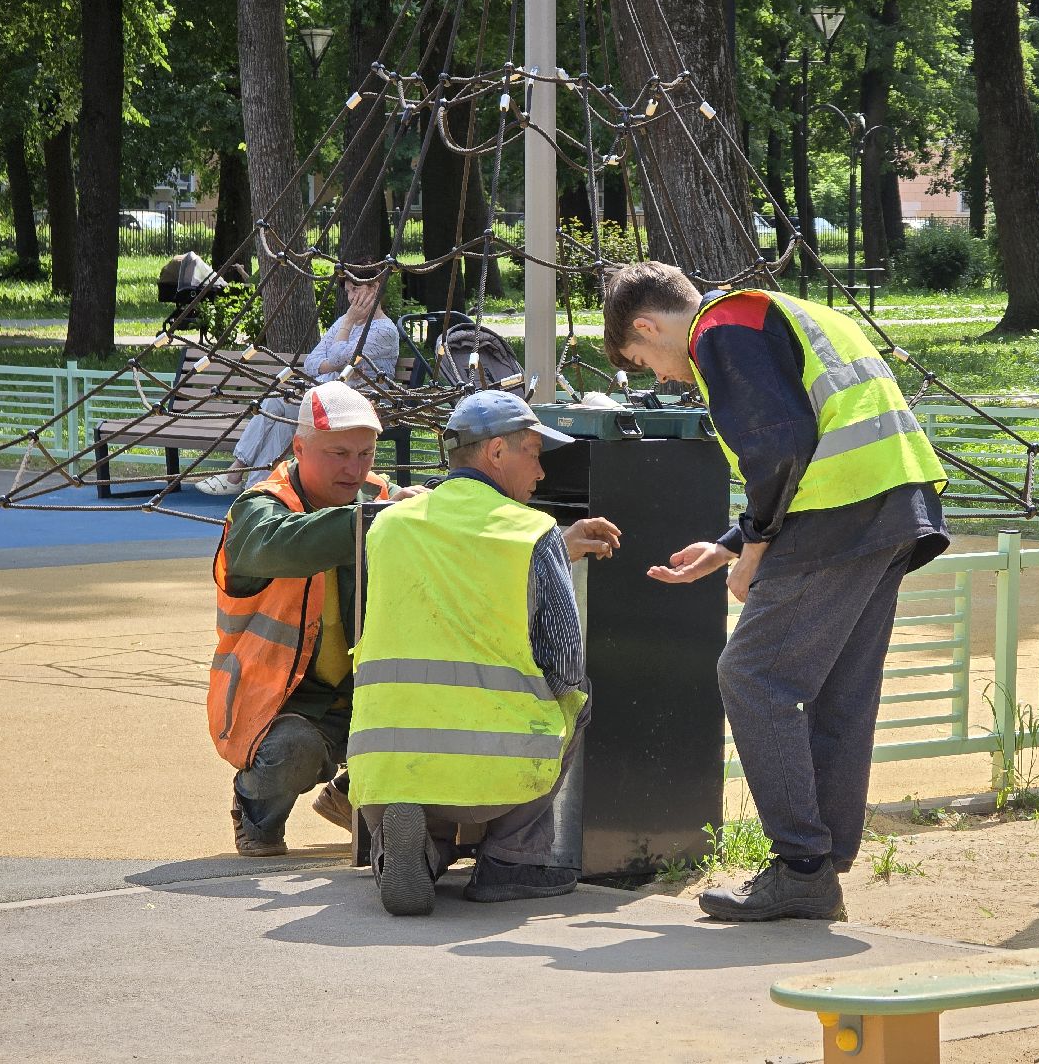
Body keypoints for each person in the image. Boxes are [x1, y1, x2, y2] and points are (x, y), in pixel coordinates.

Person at [602, 262, 950, 922]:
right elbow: (811, 439)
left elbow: (782, 451)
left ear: (648, 326)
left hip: (839, 515)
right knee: (839, 692)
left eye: (643, 358)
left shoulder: (721, 328)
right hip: (894, 506)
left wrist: (753, 551)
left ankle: (801, 866)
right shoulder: (781, 311)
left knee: (753, 675)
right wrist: (731, 544)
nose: (661, 376)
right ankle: (818, 867)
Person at [349, 390, 620, 916]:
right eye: (535, 454)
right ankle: (515, 860)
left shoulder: (389, 526)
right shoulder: (531, 531)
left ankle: (415, 845)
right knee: (577, 697)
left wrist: (557, 548)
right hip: (497, 773)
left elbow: (459, 566)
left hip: (385, 761)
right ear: (496, 452)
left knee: (416, 776)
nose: (541, 474)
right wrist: (554, 556)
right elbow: (566, 664)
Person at [209, 380, 431, 856]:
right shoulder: (258, 509)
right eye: (338, 454)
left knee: (446, 715)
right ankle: (256, 814)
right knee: (292, 751)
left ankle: (353, 801)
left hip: (364, 692)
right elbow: (287, 545)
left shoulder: (379, 497)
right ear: (299, 448)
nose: (355, 469)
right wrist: (382, 515)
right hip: (281, 700)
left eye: (366, 454)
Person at [195, 277, 400, 495]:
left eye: (355, 289)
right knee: (281, 419)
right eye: (348, 291)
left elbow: (339, 355)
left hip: (360, 406)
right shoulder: (344, 323)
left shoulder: (383, 330)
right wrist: (334, 362)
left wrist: (347, 326)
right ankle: (256, 490)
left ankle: (236, 475)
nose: (350, 297)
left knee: (277, 401)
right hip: (327, 401)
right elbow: (312, 362)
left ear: (374, 287)